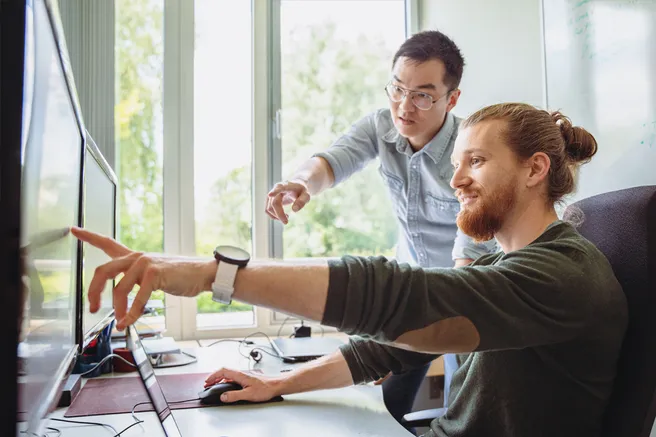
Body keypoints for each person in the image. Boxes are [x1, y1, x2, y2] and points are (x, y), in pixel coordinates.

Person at [74, 103, 628, 437]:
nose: (456, 179)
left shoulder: (565, 273)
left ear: (535, 169)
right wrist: (276, 383)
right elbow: (390, 347)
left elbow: (404, 298)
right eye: (456, 162)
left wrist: (214, 275)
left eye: (476, 161)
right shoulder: (504, 262)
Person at [265, 29, 495, 427]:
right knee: (383, 408)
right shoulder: (382, 127)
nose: (405, 106)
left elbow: (471, 242)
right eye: (397, 88)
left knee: (466, 414)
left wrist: (447, 303)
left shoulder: (467, 151)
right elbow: (334, 159)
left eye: (422, 94)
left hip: (466, 291)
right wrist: (302, 182)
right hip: (416, 291)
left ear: (451, 98)